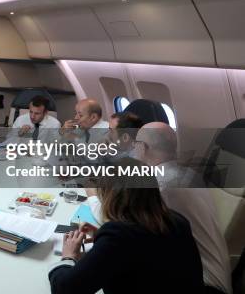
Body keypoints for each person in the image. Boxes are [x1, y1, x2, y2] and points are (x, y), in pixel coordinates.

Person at [49, 158, 205, 294]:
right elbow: (142, 255)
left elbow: (64, 289)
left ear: (110, 195)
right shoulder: (177, 221)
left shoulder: (119, 236)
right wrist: (100, 238)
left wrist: (68, 256)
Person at [134, 122, 232, 294]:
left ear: (142, 148)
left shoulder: (160, 186)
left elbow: (125, 227)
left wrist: (92, 197)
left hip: (203, 284)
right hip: (216, 275)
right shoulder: (188, 174)